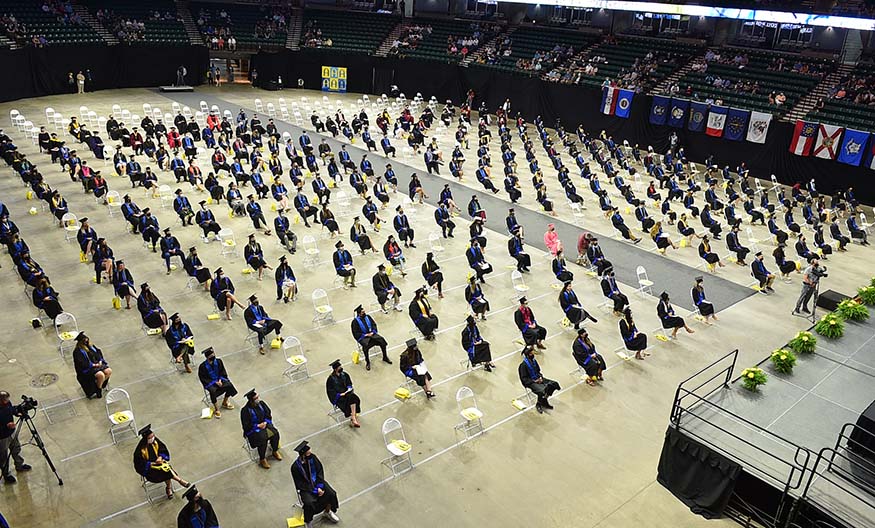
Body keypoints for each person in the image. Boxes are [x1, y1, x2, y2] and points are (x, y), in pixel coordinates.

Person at [290, 441, 341, 527]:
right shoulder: (295, 467)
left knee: (331, 493)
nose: (310, 453)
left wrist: (319, 486)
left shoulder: (312, 458)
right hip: (306, 488)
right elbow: (299, 484)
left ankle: (327, 512)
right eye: (308, 452)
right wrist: (315, 490)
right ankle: (308, 521)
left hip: (318, 482)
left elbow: (319, 471)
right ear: (303, 454)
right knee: (309, 503)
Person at [133, 424, 190, 499]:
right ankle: (177, 482)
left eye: (153, 436)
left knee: (166, 469)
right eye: (150, 437)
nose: (153, 438)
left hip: (160, 464)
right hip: (150, 470)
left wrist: (160, 457)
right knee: (166, 471)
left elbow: (163, 449)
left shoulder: (156, 442)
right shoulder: (140, 450)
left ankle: (170, 487)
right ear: (146, 439)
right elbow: (139, 464)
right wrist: (152, 463)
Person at [240, 389, 282, 469]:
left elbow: (268, 414)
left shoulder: (261, 404)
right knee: (262, 439)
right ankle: (262, 459)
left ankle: (275, 450)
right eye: (256, 398)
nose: (258, 399)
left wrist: (265, 422)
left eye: (257, 397)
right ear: (251, 400)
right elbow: (246, 425)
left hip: (265, 425)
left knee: (275, 433)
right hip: (253, 430)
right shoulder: (245, 411)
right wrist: (258, 426)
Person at [0, 390, 31, 484]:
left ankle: (19, 465)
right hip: (2, 437)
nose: (7, 401)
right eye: (5, 400)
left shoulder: (7, 403)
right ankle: (6, 474)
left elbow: (11, 409)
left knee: (16, 448)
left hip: (12, 433)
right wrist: (6, 426)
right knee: (3, 456)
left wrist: (17, 413)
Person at [518, 346, 560, 414]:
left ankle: (544, 400)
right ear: (528, 354)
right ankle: (538, 404)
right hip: (531, 382)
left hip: (538, 378)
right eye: (532, 352)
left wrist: (540, 377)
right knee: (543, 390)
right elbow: (524, 379)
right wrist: (534, 381)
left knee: (553, 384)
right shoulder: (523, 365)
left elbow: (538, 371)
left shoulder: (534, 361)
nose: (533, 353)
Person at [198, 347, 237, 418]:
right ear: (207, 357)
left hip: (219, 379)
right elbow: (203, 378)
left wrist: (220, 380)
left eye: (213, 355)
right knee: (212, 391)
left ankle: (225, 402)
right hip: (211, 383)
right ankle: (217, 409)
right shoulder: (202, 367)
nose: (213, 357)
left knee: (229, 385)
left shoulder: (219, 361)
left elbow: (223, 372)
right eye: (211, 356)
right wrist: (215, 382)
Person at [351, 305, 391, 370]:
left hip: (372, 334)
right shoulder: (355, 322)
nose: (364, 313)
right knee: (365, 348)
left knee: (382, 341)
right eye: (362, 312)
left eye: (364, 312)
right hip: (364, 338)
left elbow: (374, 324)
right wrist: (365, 335)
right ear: (359, 314)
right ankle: (368, 362)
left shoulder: (368, 317)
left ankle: (385, 357)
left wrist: (373, 332)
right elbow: (355, 333)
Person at [326, 359, 361, 427]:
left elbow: (349, 383)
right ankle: (353, 417)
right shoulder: (330, 379)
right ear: (335, 369)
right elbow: (330, 391)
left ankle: (353, 417)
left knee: (354, 398)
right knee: (351, 398)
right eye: (339, 367)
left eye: (340, 366)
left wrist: (349, 388)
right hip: (339, 397)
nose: (341, 368)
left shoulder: (344, 374)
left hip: (347, 394)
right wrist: (339, 395)